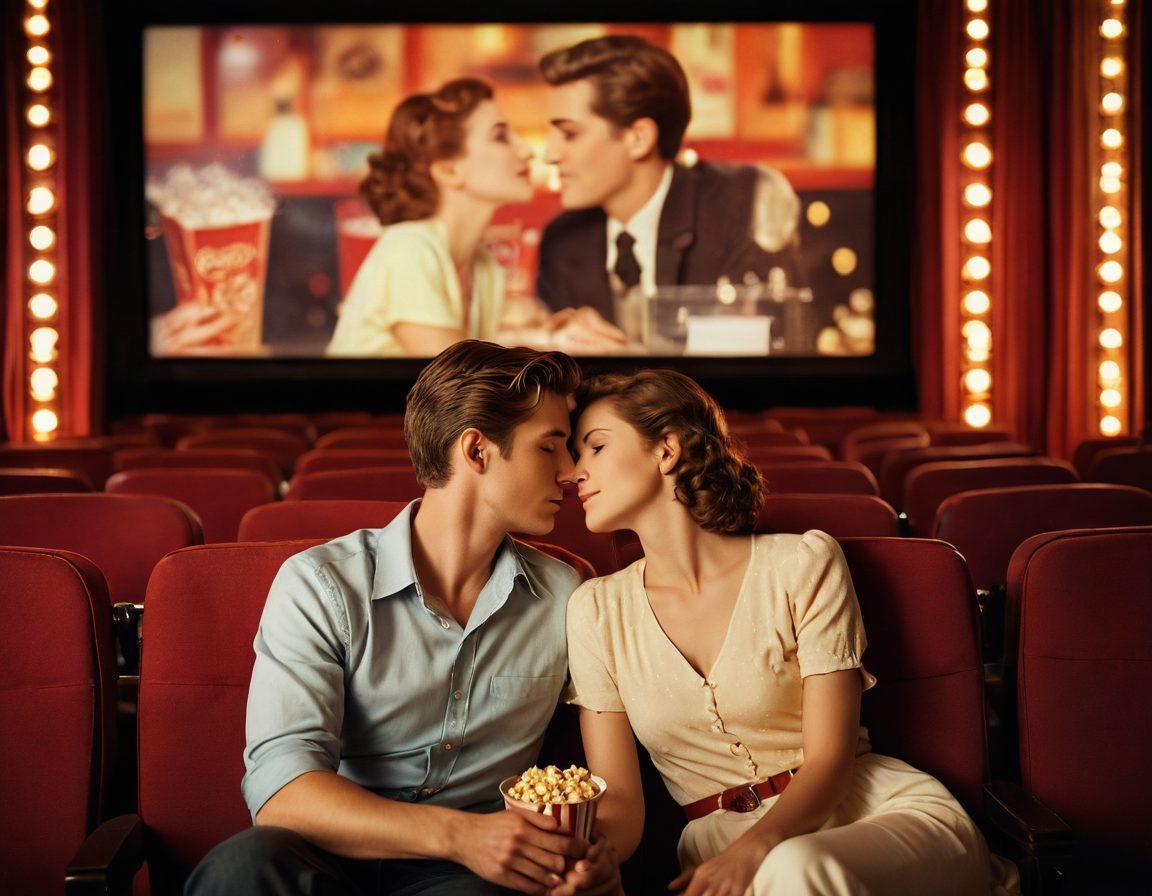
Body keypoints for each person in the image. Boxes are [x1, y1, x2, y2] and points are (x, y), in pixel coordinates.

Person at [552, 370, 1021, 896]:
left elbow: (830, 758)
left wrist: (756, 849)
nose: (573, 473)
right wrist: (595, 861)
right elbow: (620, 805)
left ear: (666, 450)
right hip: (721, 857)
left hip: (877, 816)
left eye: (594, 446)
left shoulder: (803, 562)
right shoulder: (593, 610)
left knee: (794, 867)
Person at [188, 341, 602, 895]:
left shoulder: (564, 594)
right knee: (243, 866)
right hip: (333, 850)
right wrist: (462, 835)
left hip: (470, 879)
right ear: (477, 451)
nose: (571, 472)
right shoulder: (321, 584)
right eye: (550, 448)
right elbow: (283, 792)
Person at [536, 37, 808, 348]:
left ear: (638, 138)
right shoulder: (563, 239)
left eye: (569, 134)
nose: (550, 154)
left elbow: (766, 356)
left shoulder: (743, 202)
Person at [328, 79, 625, 357]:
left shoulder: (484, 268)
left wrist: (560, 329)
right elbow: (458, 381)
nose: (526, 151)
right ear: (448, 171)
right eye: (500, 137)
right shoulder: (410, 249)